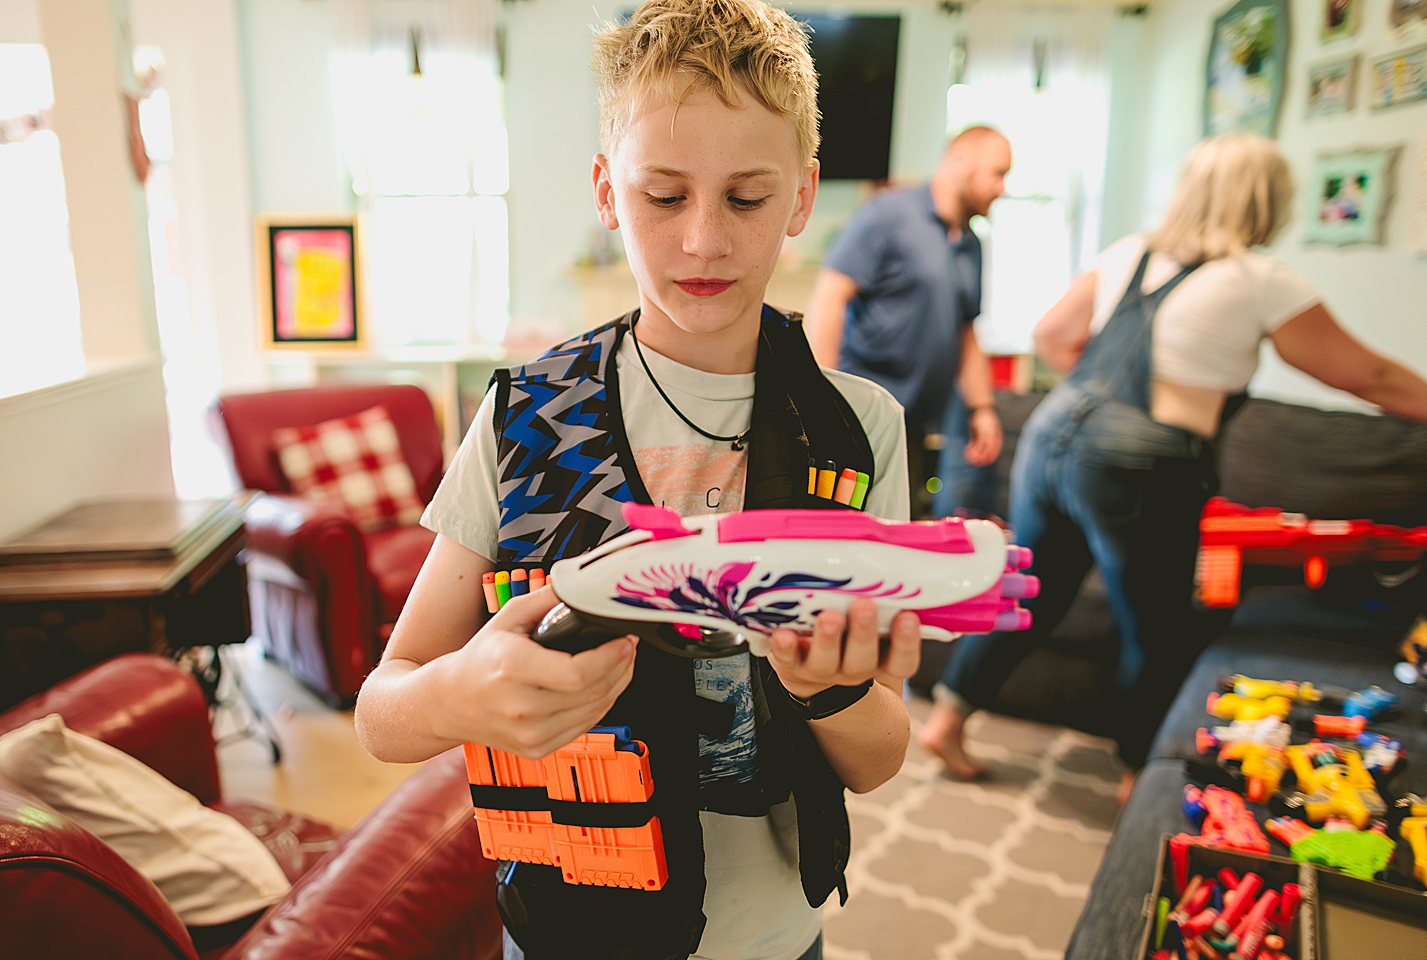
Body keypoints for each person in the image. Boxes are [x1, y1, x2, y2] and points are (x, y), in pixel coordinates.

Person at [353, 3, 921, 959]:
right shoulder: (522, 416)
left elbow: (881, 755)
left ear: (802, 197)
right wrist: (458, 696)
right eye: (665, 196)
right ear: (607, 191)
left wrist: (829, 693)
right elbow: (382, 709)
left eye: (746, 198)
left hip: (775, 938)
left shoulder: (858, 432)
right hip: (569, 929)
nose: (704, 241)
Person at [916, 132, 1427, 798]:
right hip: (1140, 464)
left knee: (1031, 591)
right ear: (1265, 200)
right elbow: (1369, 375)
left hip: (1052, 436)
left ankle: (948, 718)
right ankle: (1136, 774)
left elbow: (1051, 335)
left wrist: (1100, 408)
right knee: (1155, 627)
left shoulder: (1129, 254)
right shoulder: (1260, 280)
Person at [806, 127, 1010, 519]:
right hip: (858, 417)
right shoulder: (890, 213)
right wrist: (821, 394)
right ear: (960, 159)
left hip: (912, 426)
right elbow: (831, 295)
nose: (1002, 188)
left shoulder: (971, 244)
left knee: (899, 531)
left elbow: (965, 331)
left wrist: (982, 408)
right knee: (840, 529)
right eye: (997, 173)